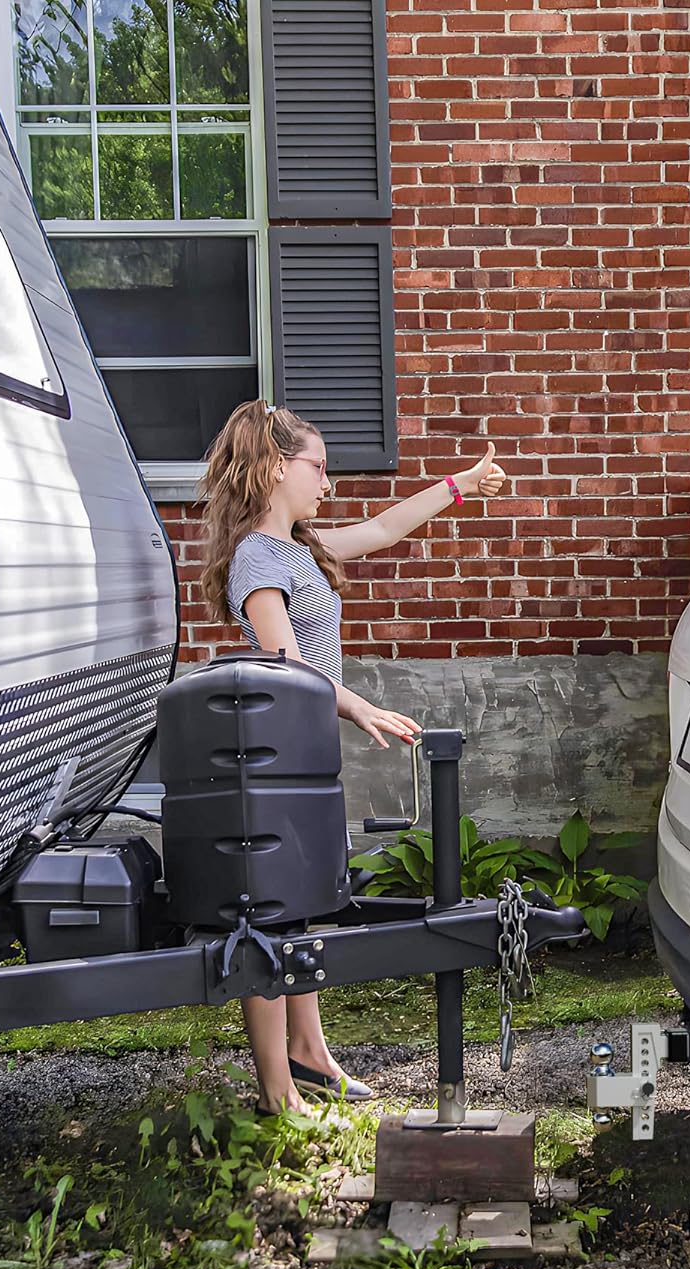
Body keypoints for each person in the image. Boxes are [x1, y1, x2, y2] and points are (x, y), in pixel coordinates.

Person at [198, 399, 506, 1117]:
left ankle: (310, 1055)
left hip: (301, 755)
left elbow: (384, 527)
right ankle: (277, 1091)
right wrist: (362, 705)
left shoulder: (301, 547)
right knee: (270, 918)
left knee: (298, 913)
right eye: (319, 468)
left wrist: (460, 482)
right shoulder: (256, 557)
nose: (327, 483)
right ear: (276, 468)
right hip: (266, 761)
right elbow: (288, 663)